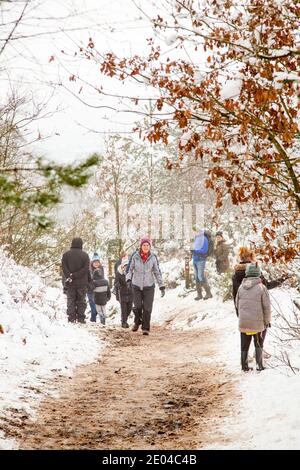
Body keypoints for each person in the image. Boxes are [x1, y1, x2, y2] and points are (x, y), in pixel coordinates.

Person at [235, 263, 271, 372]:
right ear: (258, 274)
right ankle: (260, 365)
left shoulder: (241, 287)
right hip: (257, 323)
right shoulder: (262, 288)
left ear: (247, 274)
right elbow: (267, 307)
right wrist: (267, 321)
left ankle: (244, 366)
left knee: (244, 344)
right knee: (258, 343)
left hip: (244, 322)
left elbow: (237, 304)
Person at [126, 236, 165, 335]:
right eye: (144, 245)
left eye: (147, 245)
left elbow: (157, 272)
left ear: (150, 246)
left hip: (149, 286)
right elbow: (129, 269)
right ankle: (137, 321)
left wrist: (161, 285)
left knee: (147, 308)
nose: (146, 247)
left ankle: (145, 327)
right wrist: (128, 279)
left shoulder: (153, 257)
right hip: (136, 285)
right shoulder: (135, 256)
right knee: (137, 306)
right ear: (141, 246)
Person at [61, 237, 90, 323]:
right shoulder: (85, 255)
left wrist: (70, 276)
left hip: (70, 282)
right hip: (82, 282)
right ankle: (81, 318)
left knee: (71, 300)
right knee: (81, 300)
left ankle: (71, 318)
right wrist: (75, 275)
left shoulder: (65, 255)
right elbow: (85, 269)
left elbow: (64, 267)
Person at [191, 229, 213, 300]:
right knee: (196, 277)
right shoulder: (196, 238)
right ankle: (199, 294)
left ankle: (208, 293)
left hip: (201, 260)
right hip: (195, 260)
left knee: (201, 276)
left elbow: (205, 250)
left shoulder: (204, 238)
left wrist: (195, 251)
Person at [114, 257, 133, 328]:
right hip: (122, 293)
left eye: (127, 266)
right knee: (124, 309)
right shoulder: (119, 274)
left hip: (131, 293)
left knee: (129, 309)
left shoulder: (132, 274)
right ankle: (124, 322)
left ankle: (124, 319)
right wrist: (119, 285)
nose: (126, 267)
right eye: (125, 266)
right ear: (122, 266)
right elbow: (115, 283)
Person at [88, 253, 104, 322]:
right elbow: (88, 279)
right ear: (92, 263)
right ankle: (93, 319)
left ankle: (93, 318)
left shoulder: (101, 269)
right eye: (95, 262)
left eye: (97, 262)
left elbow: (103, 279)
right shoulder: (89, 270)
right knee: (92, 304)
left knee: (97, 304)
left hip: (98, 290)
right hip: (90, 289)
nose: (96, 264)